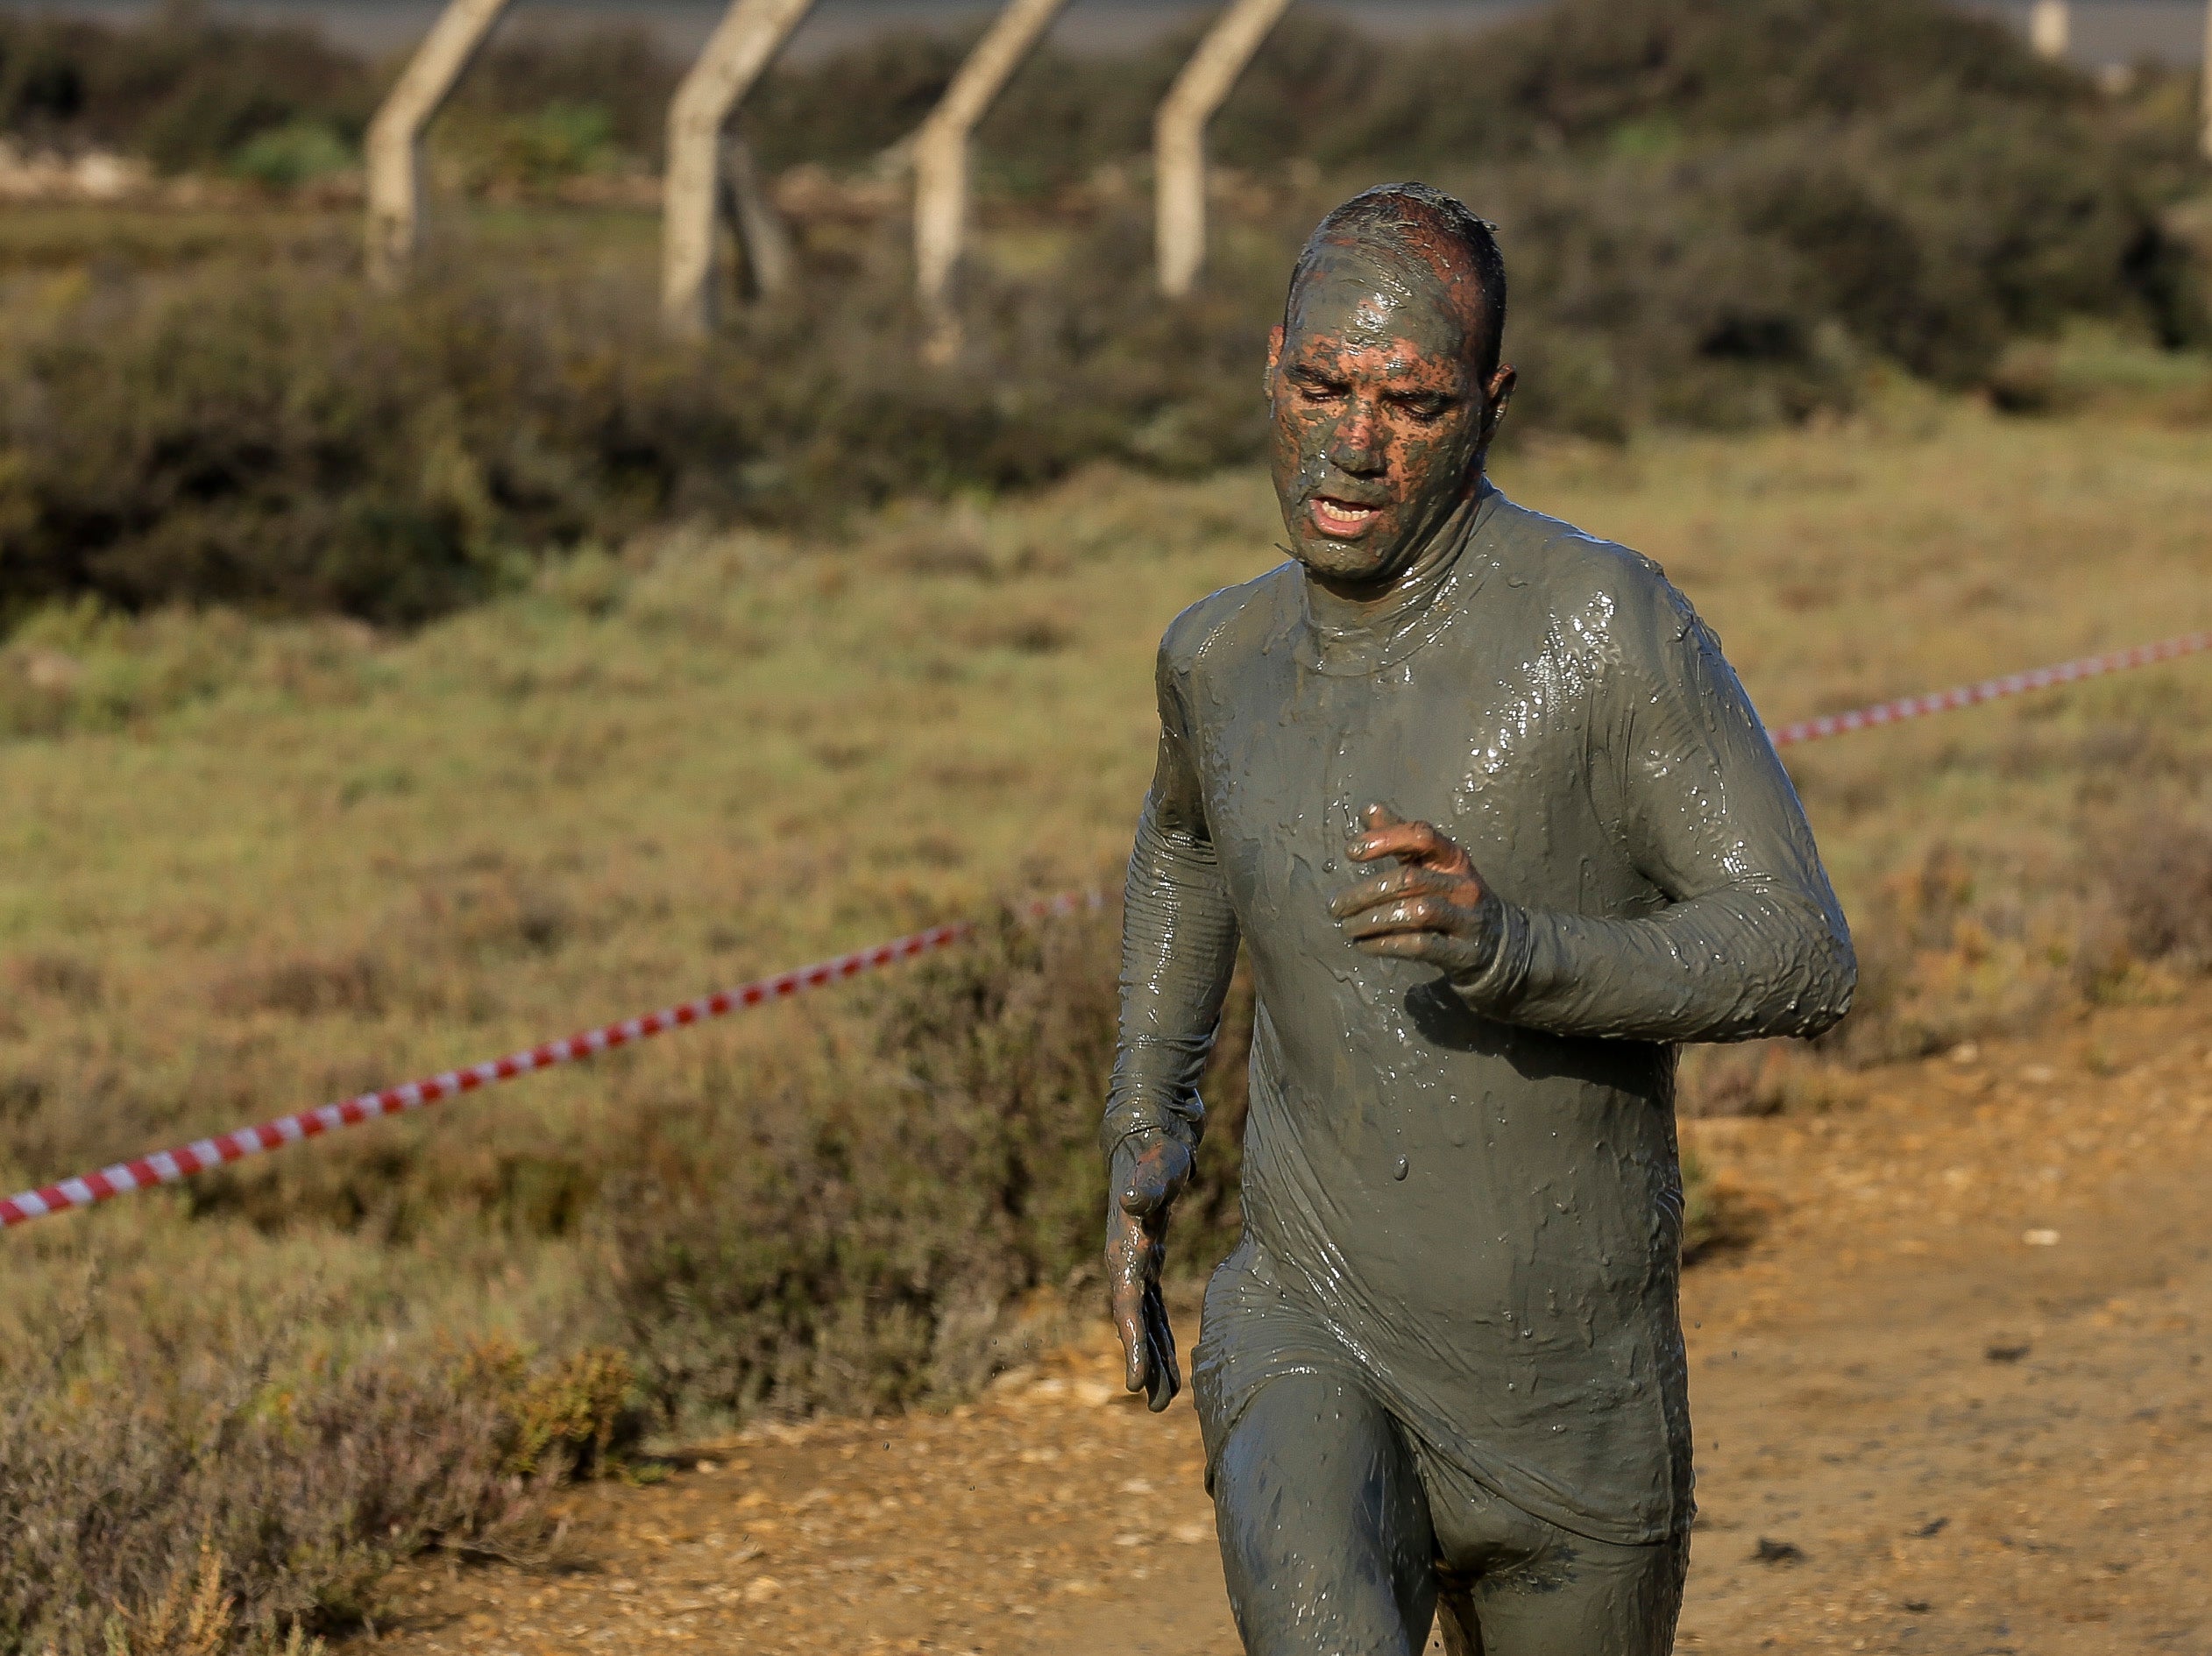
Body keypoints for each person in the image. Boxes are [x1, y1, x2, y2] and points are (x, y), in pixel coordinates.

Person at [1100, 183, 1855, 1656]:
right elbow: (1183, 841)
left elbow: (1802, 947)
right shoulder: (1217, 655)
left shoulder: (1609, 628)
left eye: (1412, 401)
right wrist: (1148, 1122)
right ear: (1273, 363)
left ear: (1490, 402)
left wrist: (1524, 952)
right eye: (1321, 384)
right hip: (1312, 1306)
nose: (1353, 441)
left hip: (1575, 1403)